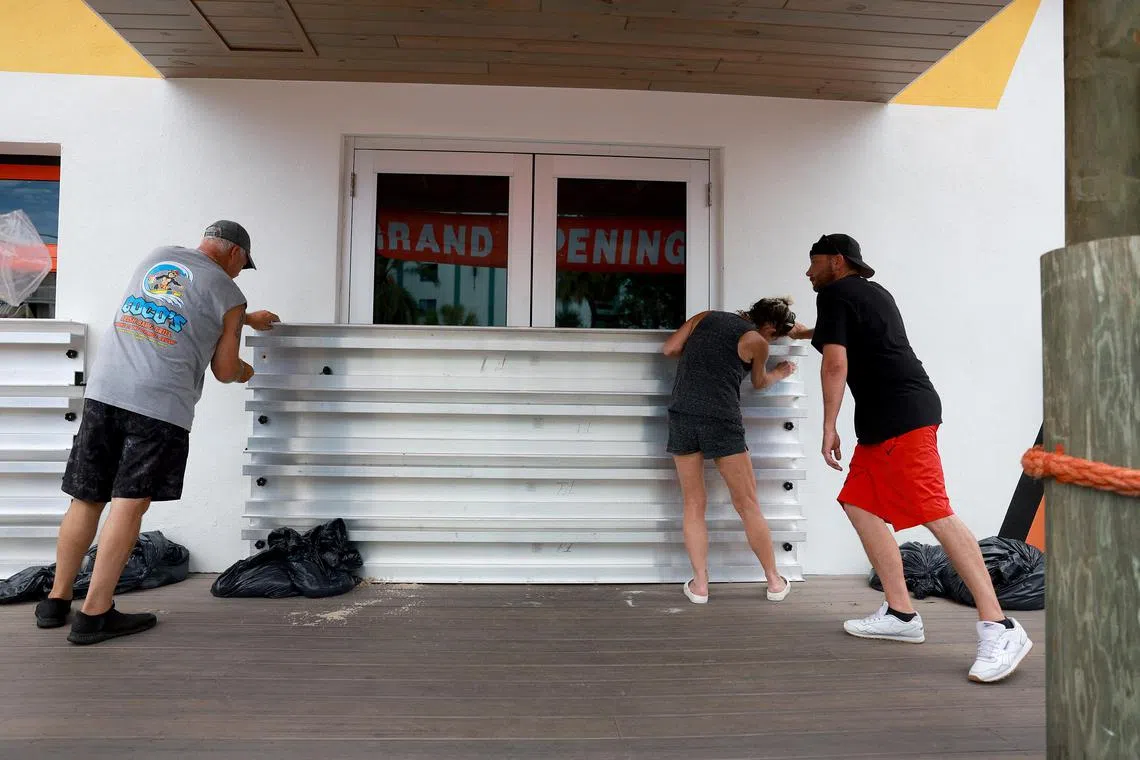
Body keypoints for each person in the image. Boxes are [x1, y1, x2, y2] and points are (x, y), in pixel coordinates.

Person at [792, 233, 1032, 683]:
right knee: (859, 503)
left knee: (934, 511)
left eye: (813, 263)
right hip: (887, 422)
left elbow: (835, 364)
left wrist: (828, 425)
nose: (808, 272)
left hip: (902, 418)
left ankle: (1000, 626)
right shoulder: (868, 293)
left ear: (837, 262)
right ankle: (901, 615)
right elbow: (842, 334)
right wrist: (801, 332)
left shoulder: (836, 293)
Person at [34, 220, 279, 645]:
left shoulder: (158, 256)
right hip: (158, 405)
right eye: (243, 265)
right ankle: (94, 614)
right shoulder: (230, 294)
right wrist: (245, 369)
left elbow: (182, 306)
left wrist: (244, 318)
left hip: (105, 390)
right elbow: (223, 369)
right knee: (129, 504)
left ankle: (56, 600)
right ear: (236, 254)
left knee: (88, 496)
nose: (240, 274)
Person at [662, 299, 799, 605]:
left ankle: (700, 586)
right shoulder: (756, 341)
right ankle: (775, 582)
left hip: (682, 414)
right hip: (721, 419)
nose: (771, 342)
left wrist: (702, 359)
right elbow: (760, 381)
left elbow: (669, 349)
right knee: (747, 503)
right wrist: (781, 371)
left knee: (693, 504)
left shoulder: (704, 316)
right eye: (774, 337)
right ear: (769, 328)